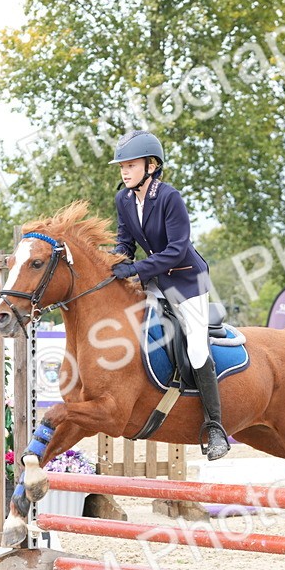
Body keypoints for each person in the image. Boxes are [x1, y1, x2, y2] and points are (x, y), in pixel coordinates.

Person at [108, 129, 229, 460]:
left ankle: (215, 428)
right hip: (154, 281)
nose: (125, 172)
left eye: (131, 165)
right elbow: (124, 243)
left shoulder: (169, 197)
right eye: (122, 167)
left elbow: (176, 250)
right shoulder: (123, 200)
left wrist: (136, 270)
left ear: (151, 165)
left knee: (196, 347)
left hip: (186, 281)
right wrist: (113, 262)